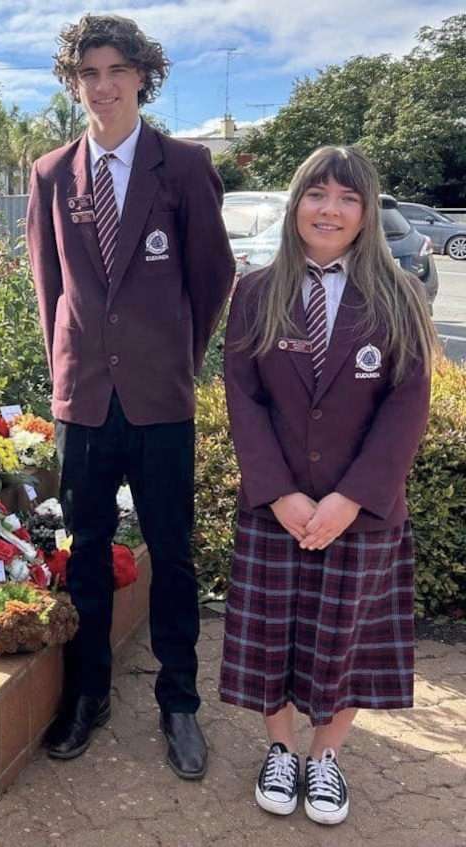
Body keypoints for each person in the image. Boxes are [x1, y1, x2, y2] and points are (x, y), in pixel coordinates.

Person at [26, 14, 234, 777]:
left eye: (117, 71)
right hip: (84, 403)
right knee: (84, 556)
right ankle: (88, 695)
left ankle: (179, 703)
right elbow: (49, 291)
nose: (103, 86)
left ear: (143, 75)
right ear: (74, 83)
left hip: (160, 404)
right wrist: (68, 370)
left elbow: (212, 278)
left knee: (172, 556)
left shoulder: (181, 167)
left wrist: (174, 356)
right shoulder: (51, 173)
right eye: (89, 74)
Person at [220, 145, 436, 825]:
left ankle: (327, 756)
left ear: (366, 213)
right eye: (317, 194)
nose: (330, 209)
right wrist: (280, 492)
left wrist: (350, 497)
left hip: (363, 513)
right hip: (273, 506)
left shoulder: (397, 294)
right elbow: (243, 398)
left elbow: (408, 403)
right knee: (270, 640)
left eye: (347, 198)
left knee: (348, 641)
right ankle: (281, 747)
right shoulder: (256, 292)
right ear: (296, 204)